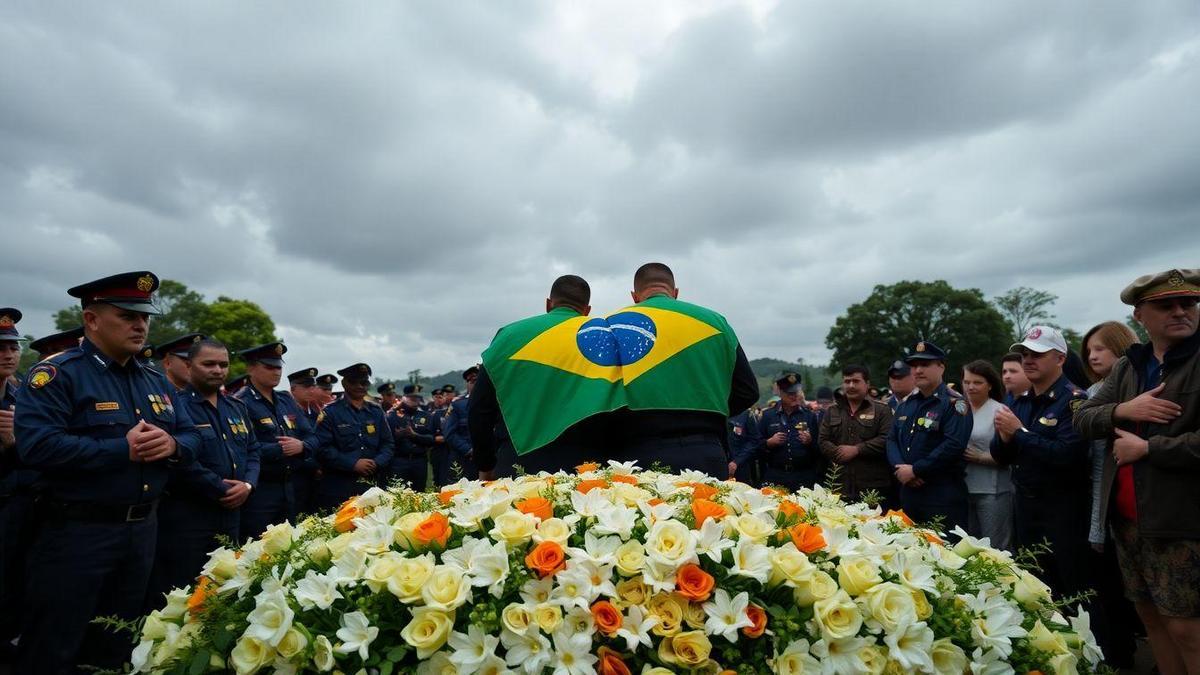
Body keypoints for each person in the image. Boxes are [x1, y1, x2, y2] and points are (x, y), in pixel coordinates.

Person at [14, 271, 201, 673]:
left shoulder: (155, 379)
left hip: (142, 531)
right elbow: (37, 446)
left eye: (145, 317)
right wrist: (122, 449)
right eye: (126, 316)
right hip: (76, 535)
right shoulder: (58, 375)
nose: (140, 325)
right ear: (91, 320)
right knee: (55, 645)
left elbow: (191, 433)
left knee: (117, 645)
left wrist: (173, 445)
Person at [1076, 269, 1200, 675]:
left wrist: (1149, 448)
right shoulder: (1130, 367)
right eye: (1167, 305)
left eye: (1189, 303)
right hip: (1129, 520)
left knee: (1187, 627)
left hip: (1180, 519)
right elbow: (1082, 416)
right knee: (1150, 618)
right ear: (1139, 315)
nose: (1181, 311)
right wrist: (1124, 410)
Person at [610, 263, 759, 477]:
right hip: (706, 450)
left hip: (637, 453)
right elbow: (748, 391)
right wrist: (708, 408)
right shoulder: (716, 323)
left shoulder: (612, 325)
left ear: (635, 296)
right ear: (675, 293)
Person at [147, 338, 259, 607]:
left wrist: (247, 486)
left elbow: (253, 451)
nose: (218, 370)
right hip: (189, 517)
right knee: (185, 593)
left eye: (223, 364)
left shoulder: (237, 407)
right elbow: (179, 460)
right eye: (208, 364)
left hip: (232, 514)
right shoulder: (173, 406)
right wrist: (219, 487)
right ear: (189, 365)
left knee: (225, 589)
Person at [471, 275, 612, 478]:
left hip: (518, 464)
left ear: (548, 304)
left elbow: (479, 411)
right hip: (586, 468)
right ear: (587, 310)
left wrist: (485, 465)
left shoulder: (509, 336)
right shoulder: (603, 338)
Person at [991, 326, 1092, 600]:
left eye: (1037, 353)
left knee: (1073, 588)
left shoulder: (1075, 401)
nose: (1028, 360)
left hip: (1062, 510)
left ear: (1060, 358)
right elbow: (1001, 456)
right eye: (1024, 353)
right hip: (1025, 507)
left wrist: (1020, 433)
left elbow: (1066, 455)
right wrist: (1005, 437)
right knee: (1036, 587)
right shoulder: (1021, 402)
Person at [1079, 319, 1142, 669]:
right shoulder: (1093, 394)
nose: (1092, 356)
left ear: (1122, 347)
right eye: (1088, 351)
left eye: (1100, 348)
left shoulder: (1139, 386)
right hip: (1107, 502)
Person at [885, 340, 971, 532]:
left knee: (946, 554)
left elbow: (953, 444)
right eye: (914, 365)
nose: (918, 370)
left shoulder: (955, 403)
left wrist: (916, 470)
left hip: (941, 495)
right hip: (909, 492)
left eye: (925, 364)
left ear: (941, 367)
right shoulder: (907, 404)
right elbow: (891, 439)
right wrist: (901, 469)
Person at [234, 342, 318, 537]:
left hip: (290, 486)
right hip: (260, 489)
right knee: (258, 547)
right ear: (251, 368)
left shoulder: (285, 399)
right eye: (269, 367)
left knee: (289, 546)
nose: (276, 372)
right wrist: (279, 450)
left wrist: (302, 446)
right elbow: (242, 448)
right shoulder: (240, 402)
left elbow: (312, 437)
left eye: (278, 367)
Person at [314, 363, 394, 508]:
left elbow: (388, 444)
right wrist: (352, 464)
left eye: (364, 382)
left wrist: (376, 462)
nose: (359, 386)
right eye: (354, 382)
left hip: (372, 484)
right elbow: (322, 448)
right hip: (340, 485)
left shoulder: (376, 411)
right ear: (344, 384)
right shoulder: (330, 413)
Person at [818, 365, 895, 507]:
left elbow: (886, 439)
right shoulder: (832, 411)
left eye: (856, 381)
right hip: (839, 487)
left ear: (867, 384)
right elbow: (823, 440)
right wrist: (840, 453)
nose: (851, 385)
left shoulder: (882, 410)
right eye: (847, 381)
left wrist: (857, 450)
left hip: (872, 489)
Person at [0, 309, 29, 658]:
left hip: (18, 506)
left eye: (12, 346)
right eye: (1, 348)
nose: (8, 354)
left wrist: (14, 444)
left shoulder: (22, 394)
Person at [960, 360, 1012, 551]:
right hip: (963, 487)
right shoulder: (959, 408)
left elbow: (1011, 454)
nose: (970, 387)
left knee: (994, 547)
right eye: (967, 382)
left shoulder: (1000, 411)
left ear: (989, 385)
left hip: (992, 489)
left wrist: (981, 457)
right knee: (969, 546)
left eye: (977, 382)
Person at [746, 373, 823, 490]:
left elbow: (820, 448)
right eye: (790, 393)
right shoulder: (768, 416)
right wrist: (769, 443)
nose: (794, 396)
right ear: (780, 393)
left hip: (804, 476)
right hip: (776, 475)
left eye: (796, 392)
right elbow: (755, 446)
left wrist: (810, 442)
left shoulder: (809, 416)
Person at [386, 384, 434, 490]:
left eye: (417, 398)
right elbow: (386, 441)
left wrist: (414, 435)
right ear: (403, 398)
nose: (415, 401)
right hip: (399, 461)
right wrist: (399, 435)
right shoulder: (392, 416)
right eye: (411, 398)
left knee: (419, 493)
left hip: (419, 461)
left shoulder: (425, 416)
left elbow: (431, 439)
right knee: (398, 493)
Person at [442, 366, 478, 480]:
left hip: (487, 459)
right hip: (463, 459)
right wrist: (469, 450)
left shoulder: (494, 404)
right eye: (471, 381)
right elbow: (449, 433)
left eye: (477, 381)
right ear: (467, 385)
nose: (474, 384)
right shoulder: (458, 405)